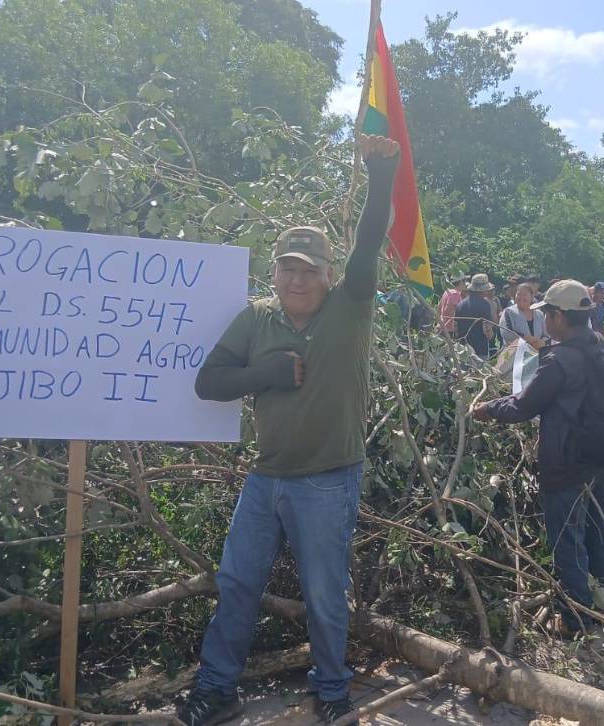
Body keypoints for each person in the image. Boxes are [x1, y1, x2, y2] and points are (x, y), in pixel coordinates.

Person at [183, 135, 400, 726]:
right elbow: (210, 382)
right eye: (287, 268)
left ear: (328, 275)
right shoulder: (257, 316)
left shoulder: (349, 306)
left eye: (308, 270)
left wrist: (381, 178)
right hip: (265, 479)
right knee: (236, 584)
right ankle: (217, 687)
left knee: (325, 597)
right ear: (273, 270)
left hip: (328, 481)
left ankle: (331, 693)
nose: (297, 280)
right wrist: (267, 374)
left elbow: (368, 242)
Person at [471, 280, 604, 635]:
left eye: (547, 315)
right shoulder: (603, 348)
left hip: (569, 463)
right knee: (599, 531)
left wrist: (485, 409)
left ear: (557, 316)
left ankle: (576, 618)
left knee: (567, 539)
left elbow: (524, 406)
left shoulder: (560, 360)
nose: (545, 322)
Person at [455, 274, 497, 358]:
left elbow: (456, 328)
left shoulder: (460, 304)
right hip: (480, 350)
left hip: (463, 349)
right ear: (483, 290)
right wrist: (492, 337)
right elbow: (487, 329)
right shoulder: (485, 304)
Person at [499, 282, 547, 350]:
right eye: (519, 294)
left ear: (532, 297)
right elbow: (506, 333)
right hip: (514, 355)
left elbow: (546, 335)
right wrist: (526, 339)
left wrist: (541, 342)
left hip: (536, 355)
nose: (521, 297)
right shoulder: (508, 312)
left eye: (525, 294)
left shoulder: (539, 314)